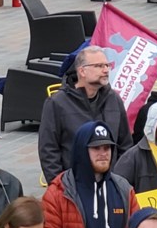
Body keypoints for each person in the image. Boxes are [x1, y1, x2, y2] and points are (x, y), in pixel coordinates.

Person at [39, 46, 132, 184]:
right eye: (99, 66)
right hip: (74, 187)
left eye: (107, 65)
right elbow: (48, 151)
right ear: (82, 71)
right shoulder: (57, 103)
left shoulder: (114, 99)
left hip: (111, 185)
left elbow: (125, 144)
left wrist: (122, 182)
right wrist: (60, 187)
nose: (106, 70)